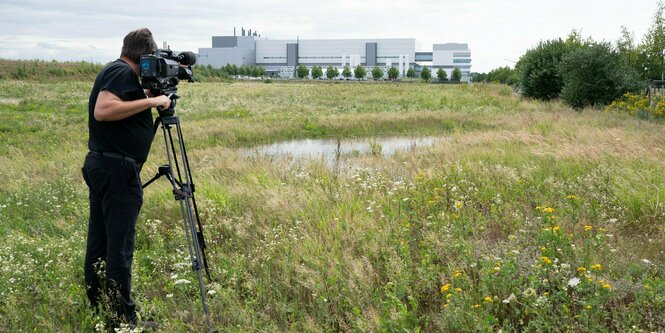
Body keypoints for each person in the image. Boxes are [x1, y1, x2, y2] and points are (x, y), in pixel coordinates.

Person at [81, 28, 171, 326]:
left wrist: (144, 95)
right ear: (144, 55)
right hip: (117, 171)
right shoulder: (120, 71)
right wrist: (153, 103)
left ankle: (100, 308)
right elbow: (104, 110)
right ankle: (124, 320)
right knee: (118, 247)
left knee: (101, 242)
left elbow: (119, 106)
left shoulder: (118, 73)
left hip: (104, 165)